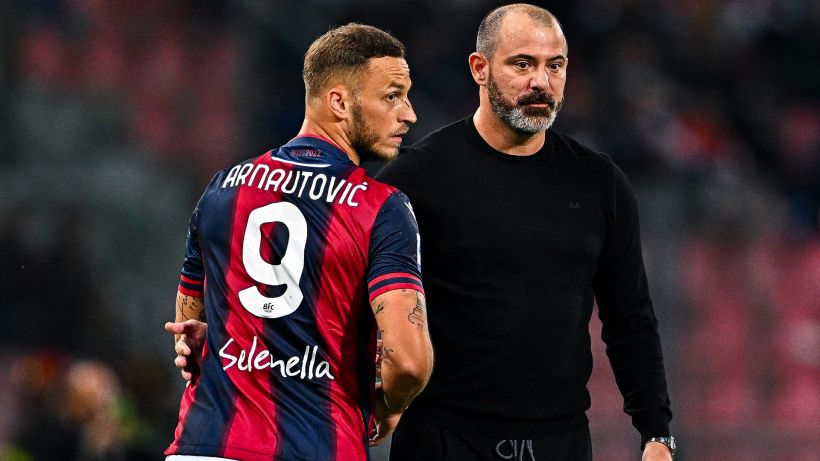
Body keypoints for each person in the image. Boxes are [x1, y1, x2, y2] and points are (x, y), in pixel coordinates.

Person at [375, 4, 674, 461]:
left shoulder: (600, 184)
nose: (541, 81)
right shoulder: (415, 179)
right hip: (442, 440)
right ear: (480, 68)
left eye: (554, 66)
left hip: (562, 442)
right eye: (522, 64)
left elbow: (630, 318)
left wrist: (656, 431)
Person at [162, 23, 433, 461]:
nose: (409, 113)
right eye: (392, 96)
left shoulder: (222, 189)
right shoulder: (381, 208)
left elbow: (187, 330)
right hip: (317, 448)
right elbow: (409, 363)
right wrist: (388, 406)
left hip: (203, 446)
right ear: (339, 102)